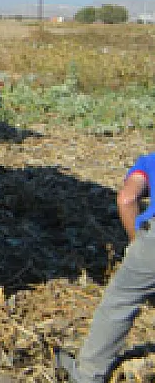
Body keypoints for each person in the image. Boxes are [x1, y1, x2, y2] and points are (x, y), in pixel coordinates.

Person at [56, 153, 155, 382]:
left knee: (120, 301)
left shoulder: (150, 161)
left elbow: (127, 199)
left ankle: (88, 374)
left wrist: (137, 243)